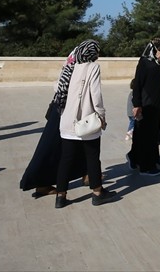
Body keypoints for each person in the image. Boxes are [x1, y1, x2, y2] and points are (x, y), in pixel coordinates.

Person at [20, 40, 93, 198]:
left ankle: (87, 173)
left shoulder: (72, 61)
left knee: (81, 143)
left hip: (63, 106)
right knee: (53, 146)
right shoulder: (80, 65)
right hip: (65, 109)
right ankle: (40, 182)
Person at [54, 40, 114, 208]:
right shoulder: (92, 67)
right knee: (92, 157)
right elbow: (96, 94)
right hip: (86, 121)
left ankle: (61, 196)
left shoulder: (69, 67)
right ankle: (97, 193)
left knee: (66, 159)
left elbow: (57, 88)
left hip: (67, 121)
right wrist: (102, 116)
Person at [129, 38, 160, 176]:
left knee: (150, 133)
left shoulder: (158, 61)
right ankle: (145, 166)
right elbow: (137, 84)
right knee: (144, 134)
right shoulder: (144, 62)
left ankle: (134, 157)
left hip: (156, 103)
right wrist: (136, 104)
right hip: (145, 103)